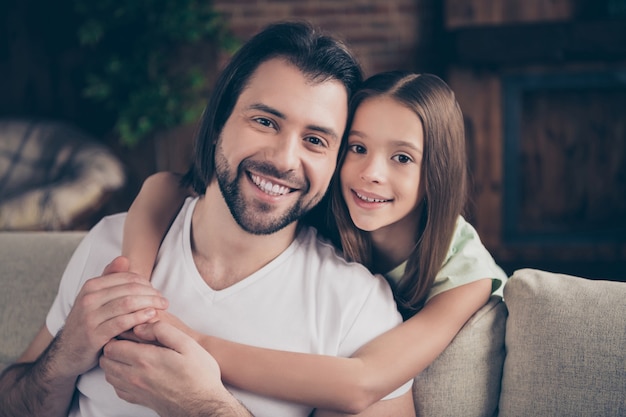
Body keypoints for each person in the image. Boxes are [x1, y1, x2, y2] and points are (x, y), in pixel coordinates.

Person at [0, 22, 416, 417]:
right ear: (218, 123)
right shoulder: (110, 242)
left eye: (315, 140)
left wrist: (202, 407)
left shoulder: (356, 308)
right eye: (265, 121)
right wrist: (64, 355)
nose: (285, 159)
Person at [121, 71, 508, 413]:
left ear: (437, 172)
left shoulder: (465, 272)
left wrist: (195, 342)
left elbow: (362, 384)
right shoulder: (325, 199)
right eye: (357, 148)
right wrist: (132, 288)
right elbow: (165, 185)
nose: (371, 172)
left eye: (402, 158)